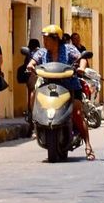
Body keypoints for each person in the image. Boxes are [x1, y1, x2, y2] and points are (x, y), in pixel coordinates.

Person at [27, 25, 94, 160]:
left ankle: (88, 145)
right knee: (34, 94)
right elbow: (33, 60)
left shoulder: (69, 49)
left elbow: (82, 58)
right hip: (48, 86)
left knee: (77, 112)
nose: (44, 42)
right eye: (44, 39)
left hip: (70, 87)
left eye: (47, 39)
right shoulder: (42, 52)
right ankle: (35, 123)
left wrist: (81, 67)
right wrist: (30, 65)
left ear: (56, 39)